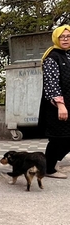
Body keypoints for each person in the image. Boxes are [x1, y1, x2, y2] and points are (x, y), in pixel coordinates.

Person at [40, 25, 70, 179]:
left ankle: (50, 163)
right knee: (58, 137)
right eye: (62, 37)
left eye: (68, 36)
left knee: (66, 137)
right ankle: (48, 168)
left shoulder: (67, 55)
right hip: (57, 105)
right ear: (56, 39)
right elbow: (51, 83)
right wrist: (60, 105)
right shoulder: (52, 57)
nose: (65, 39)